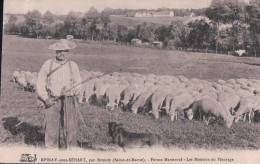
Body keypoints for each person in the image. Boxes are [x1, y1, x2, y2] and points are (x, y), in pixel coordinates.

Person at [36, 36, 82, 149]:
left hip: (69, 100)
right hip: (52, 100)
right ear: (56, 51)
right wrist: (46, 98)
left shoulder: (73, 65)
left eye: (65, 51)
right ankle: (51, 150)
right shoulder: (48, 64)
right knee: (51, 127)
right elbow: (40, 82)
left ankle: (71, 150)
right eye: (59, 51)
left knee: (70, 126)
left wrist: (72, 91)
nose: (62, 53)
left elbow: (78, 84)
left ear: (68, 52)